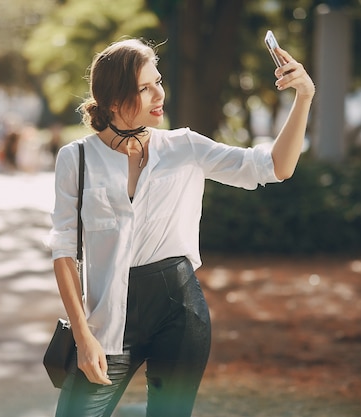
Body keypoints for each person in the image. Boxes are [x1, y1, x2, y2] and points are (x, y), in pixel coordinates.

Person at [45, 38, 315, 417]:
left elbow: (275, 166)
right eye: (144, 87)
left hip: (180, 310)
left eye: (159, 80)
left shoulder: (184, 146)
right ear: (114, 100)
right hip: (109, 319)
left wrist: (304, 97)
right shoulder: (77, 158)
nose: (159, 93)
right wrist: (82, 334)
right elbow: (64, 250)